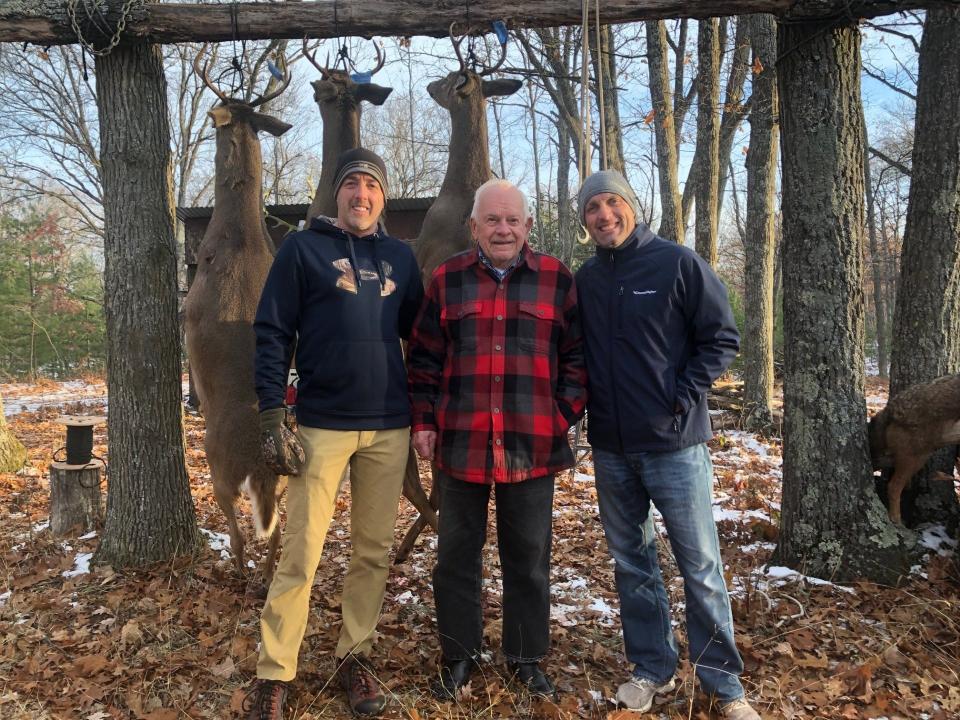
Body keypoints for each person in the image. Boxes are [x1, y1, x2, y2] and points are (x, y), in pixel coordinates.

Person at [245, 148, 424, 719]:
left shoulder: (401, 257)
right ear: (336, 195)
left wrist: (425, 412)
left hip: (389, 427)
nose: (361, 194)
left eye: (372, 185)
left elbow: (421, 342)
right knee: (301, 551)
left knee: (373, 552)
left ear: (383, 197)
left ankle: (356, 656)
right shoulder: (302, 250)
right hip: (322, 425)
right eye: (352, 185)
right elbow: (272, 330)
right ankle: (275, 673)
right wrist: (273, 414)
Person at [574, 170, 759, 720]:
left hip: (676, 445)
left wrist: (681, 395)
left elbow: (722, 337)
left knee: (699, 564)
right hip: (611, 448)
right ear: (584, 221)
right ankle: (652, 666)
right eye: (592, 208)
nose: (604, 214)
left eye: (613, 203)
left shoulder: (678, 263)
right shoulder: (585, 279)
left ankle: (723, 685)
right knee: (633, 563)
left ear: (632, 206)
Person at [407, 179, 587, 701]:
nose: (502, 229)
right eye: (492, 220)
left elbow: (577, 360)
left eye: (512, 220)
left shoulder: (556, 280)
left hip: (531, 445)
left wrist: (560, 415)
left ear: (528, 226)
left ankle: (526, 657)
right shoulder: (447, 280)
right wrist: (424, 421)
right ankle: (458, 654)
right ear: (474, 227)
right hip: (460, 444)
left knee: (528, 558)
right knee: (456, 556)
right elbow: (422, 358)